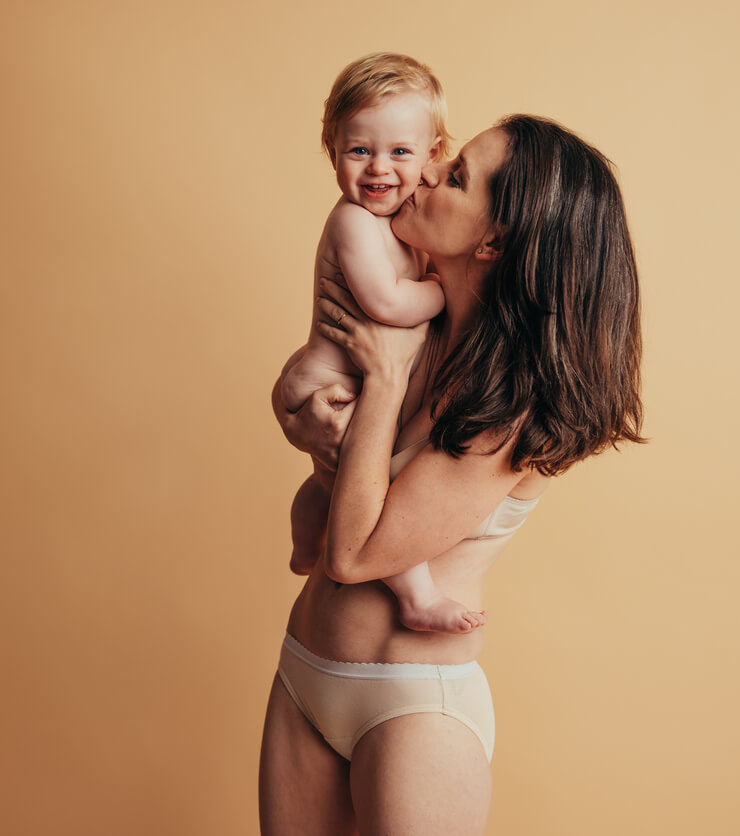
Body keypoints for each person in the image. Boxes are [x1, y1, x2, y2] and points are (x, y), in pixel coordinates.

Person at [260, 114, 645, 835]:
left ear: (493, 240)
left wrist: (380, 377)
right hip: (304, 671)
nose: (427, 172)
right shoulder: (412, 318)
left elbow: (352, 554)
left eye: (457, 175)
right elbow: (322, 424)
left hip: (412, 707)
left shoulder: (511, 411)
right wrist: (305, 418)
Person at [280, 52, 485, 634]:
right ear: (333, 152)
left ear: (432, 156)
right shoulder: (354, 222)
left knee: (330, 482)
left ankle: (304, 544)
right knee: (363, 487)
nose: (378, 169)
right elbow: (385, 304)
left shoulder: (401, 222)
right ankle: (417, 594)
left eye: (400, 152)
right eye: (358, 150)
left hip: (349, 383)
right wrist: (440, 290)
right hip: (329, 385)